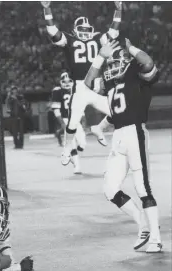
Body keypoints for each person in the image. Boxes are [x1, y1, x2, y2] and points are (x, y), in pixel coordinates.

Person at [84, 38, 162, 253]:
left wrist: (131, 48)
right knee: (110, 189)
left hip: (135, 132)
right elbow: (88, 84)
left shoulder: (138, 74)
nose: (115, 64)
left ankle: (156, 238)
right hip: (118, 136)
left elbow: (147, 63)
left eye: (120, 59)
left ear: (128, 60)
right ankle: (143, 225)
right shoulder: (112, 81)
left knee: (142, 188)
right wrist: (100, 56)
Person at [41, 1, 122, 165]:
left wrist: (118, 10)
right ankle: (66, 149)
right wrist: (47, 9)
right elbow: (52, 31)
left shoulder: (97, 37)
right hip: (80, 87)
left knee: (118, 113)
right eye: (82, 30)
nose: (85, 33)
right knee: (72, 122)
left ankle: (99, 128)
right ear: (75, 30)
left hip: (96, 85)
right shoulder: (70, 39)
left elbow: (113, 32)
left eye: (87, 30)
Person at [50, 72, 86, 174]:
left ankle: (71, 155)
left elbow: (80, 107)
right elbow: (56, 110)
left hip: (75, 119)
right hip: (66, 119)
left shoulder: (76, 91)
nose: (66, 83)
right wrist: (61, 122)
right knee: (72, 143)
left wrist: (83, 120)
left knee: (82, 143)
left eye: (69, 80)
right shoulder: (57, 92)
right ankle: (77, 165)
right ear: (60, 82)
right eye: (64, 81)